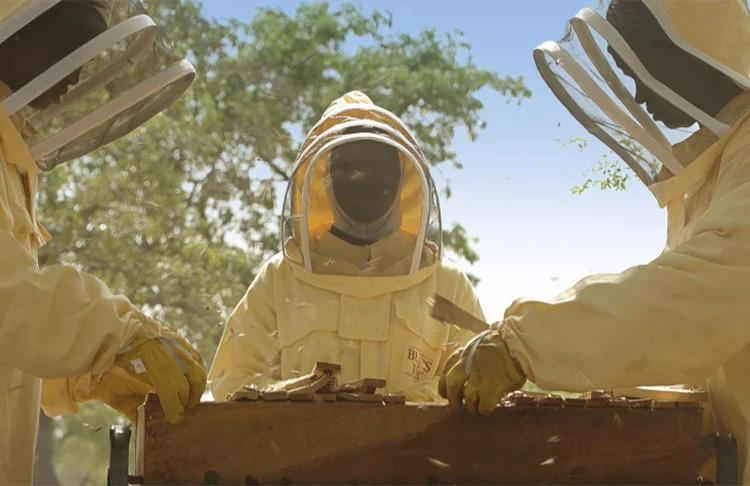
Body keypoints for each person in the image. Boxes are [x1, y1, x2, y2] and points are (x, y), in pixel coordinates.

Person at [440, 0, 750, 480]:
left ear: (690, 49)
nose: (638, 97)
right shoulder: (726, 162)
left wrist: (528, 342)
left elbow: (698, 296)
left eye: (641, 70)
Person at [0, 2, 205, 483]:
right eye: (69, 41)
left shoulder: (11, 157)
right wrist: (116, 333)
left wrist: (86, 373)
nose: (79, 69)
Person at [209, 91, 481, 402]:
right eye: (349, 165)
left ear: (403, 177)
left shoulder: (447, 284)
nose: (363, 175)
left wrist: (410, 408)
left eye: (377, 164)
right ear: (322, 180)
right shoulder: (280, 278)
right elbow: (232, 385)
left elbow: (478, 386)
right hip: (301, 450)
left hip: (422, 451)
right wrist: (300, 400)